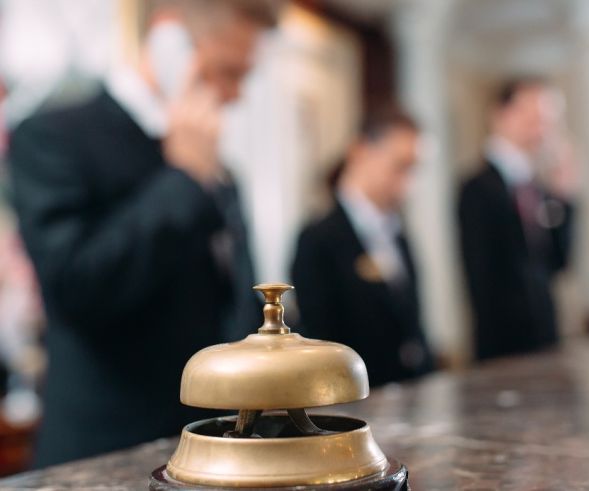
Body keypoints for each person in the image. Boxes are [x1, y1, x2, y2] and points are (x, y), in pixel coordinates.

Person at [8, 0, 278, 467]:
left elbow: (236, 299)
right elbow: (78, 286)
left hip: (214, 452)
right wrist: (183, 179)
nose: (236, 95)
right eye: (228, 72)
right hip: (105, 455)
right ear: (170, 40)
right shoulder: (51, 137)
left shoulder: (221, 171)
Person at [291, 109, 435, 387]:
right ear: (360, 152)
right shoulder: (319, 237)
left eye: (414, 169)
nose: (408, 181)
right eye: (399, 165)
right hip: (355, 401)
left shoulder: (399, 234)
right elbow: (321, 340)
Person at [459, 79, 577, 361]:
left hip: (546, 339)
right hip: (503, 346)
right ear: (500, 115)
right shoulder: (477, 188)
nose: (542, 128)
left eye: (548, 121)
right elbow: (481, 280)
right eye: (533, 117)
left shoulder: (537, 187)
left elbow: (559, 262)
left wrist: (565, 198)